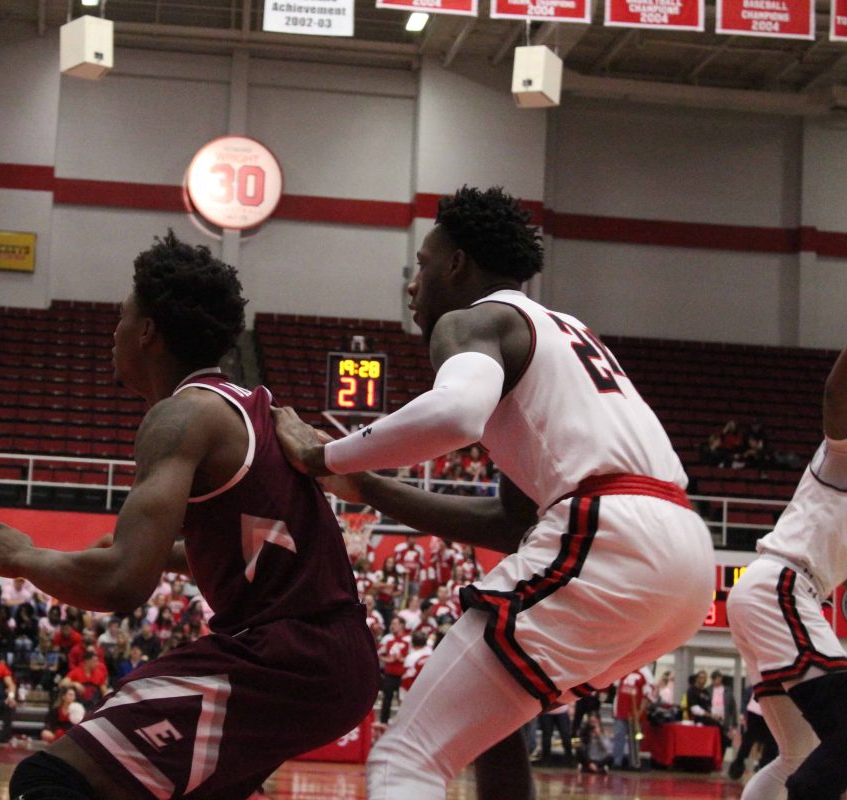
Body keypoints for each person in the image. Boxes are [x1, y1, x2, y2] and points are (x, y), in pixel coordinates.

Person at [272, 185, 716, 800]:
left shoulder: (473, 319)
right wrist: (367, 486)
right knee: (488, 727)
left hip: (608, 533)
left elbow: (456, 415)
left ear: (457, 264)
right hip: (684, 557)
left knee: (405, 760)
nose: (412, 284)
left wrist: (323, 456)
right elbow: (513, 524)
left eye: (422, 265)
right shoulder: (561, 331)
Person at [0, 231, 378, 800]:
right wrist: (131, 554)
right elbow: (214, 548)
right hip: (332, 656)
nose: (114, 331)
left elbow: (123, 584)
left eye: (122, 316)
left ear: (148, 330)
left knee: (52, 778)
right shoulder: (248, 407)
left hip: (289, 653)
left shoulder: (180, 416)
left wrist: (23, 556)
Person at [726, 258, 847, 800]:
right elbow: (834, 397)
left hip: (776, 589)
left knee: (800, 754)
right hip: (781, 586)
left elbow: (846, 567)